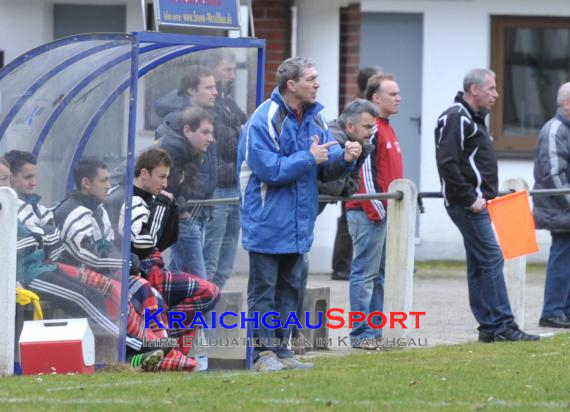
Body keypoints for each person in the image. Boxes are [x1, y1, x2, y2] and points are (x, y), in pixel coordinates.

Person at [238, 56, 362, 371]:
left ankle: (283, 351)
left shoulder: (314, 118)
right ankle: (262, 354)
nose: (317, 84)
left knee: (291, 289)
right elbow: (270, 171)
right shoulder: (264, 118)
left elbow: (327, 162)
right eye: (311, 79)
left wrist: (346, 156)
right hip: (267, 221)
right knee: (263, 291)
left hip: (299, 223)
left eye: (317, 78)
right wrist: (309, 157)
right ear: (291, 85)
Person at [4, 151, 163, 370]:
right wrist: (38, 238)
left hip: (46, 266)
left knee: (141, 290)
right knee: (85, 296)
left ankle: (154, 342)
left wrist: (37, 238)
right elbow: (19, 247)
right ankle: (137, 347)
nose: (34, 182)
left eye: (35, 176)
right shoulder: (17, 207)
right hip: (28, 274)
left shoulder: (43, 208)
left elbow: (53, 244)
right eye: (27, 177)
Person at [435, 68, 539, 342]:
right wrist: (470, 199)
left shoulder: (472, 119)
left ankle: (489, 327)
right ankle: (503, 325)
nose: (496, 94)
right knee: (492, 258)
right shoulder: (457, 117)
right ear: (474, 89)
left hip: (476, 204)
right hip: (468, 205)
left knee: (480, 263)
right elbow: (447, 162)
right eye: (491, 88)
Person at [52, 157, 173, 369]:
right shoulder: (72, 212)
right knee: (120, 291)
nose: (109, 184)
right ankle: (146, 346)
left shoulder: (98, 209)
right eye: (103, 180)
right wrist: (125, 261)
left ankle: (162, 341)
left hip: (105, 273)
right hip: (77, 274)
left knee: (146, 289)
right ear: (86, 183)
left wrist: (128, 263)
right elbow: (89, 255)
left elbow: (109, 245)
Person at [110, 147, 221, 371]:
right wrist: (161, 206)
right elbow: (144, 242)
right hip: (140, 272)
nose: (165, 183)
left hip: (154, 267)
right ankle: (168, 351)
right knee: (203, 293)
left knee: (209, 292)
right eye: (161, 176)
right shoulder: (131, 200)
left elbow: (165, 241)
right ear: (144, 173)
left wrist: (170, 208)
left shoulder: (152, 199)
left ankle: (167, 341)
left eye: (167, 177)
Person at [291, 98, 378, 354]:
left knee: (297, 271)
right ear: (349, 126)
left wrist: (348, 179)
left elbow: (347, 186)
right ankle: (282, 339)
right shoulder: (333, 141)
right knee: (292, 273)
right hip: (297, 214)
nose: (371, 131)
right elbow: (335, 185)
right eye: (366, 126)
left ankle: (290, 336)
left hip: (307, 214)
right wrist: (347, 177)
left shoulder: (359, 144)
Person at [345, 73, 403, 349]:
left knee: (378, 276)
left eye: (399, 93)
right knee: (364, 275)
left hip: (382, 213)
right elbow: (365, 172)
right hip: (368, 212)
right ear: (376, 98)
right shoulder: (373, 129)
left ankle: (375, 330)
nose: (399, 98)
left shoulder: (388, 128)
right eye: (393, 94)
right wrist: (378, 208)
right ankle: (361, 334)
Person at [157, 66, 218, 279]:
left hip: (196, 207)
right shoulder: (175, 124)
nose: (215, 92)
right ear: (192, 90)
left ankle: (169, 311)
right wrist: (181, 206)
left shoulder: (205, 118)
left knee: (181, 273)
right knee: (197, 277)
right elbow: (167, 176)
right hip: (185, 211)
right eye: (209, 87)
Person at [201, 50, 248, 289]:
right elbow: (228, 144)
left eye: (233, 70)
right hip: (217, 188)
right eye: (227, 70)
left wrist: (239, 133)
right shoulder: (208, 107)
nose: (232, 75)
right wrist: (238, 134)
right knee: (209, 258)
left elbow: (247, 132)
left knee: (226, 263)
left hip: (234, 187)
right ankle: (201, 320)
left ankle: (213, 303)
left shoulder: (229, 103)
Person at [330, 66, 381, 281]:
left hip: (348, 181)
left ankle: (343, 265)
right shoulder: (356, 113)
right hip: (346, 183)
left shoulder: (365, 117)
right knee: (346, 220)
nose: (370, 131)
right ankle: (341, 265)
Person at [533, 81, 570, 329]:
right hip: (561, 208)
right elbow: (554, 174)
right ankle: (553, 311)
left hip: (564, 207)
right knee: (562, 255)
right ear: (567, 104)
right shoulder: (555, 129)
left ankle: (562, 310)